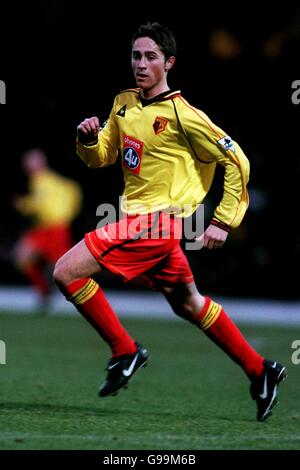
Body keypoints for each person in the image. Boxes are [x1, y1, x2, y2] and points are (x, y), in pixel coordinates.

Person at [53, 22, 286, 422]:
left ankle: (125, 350)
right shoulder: (123, 102)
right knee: (189, 304)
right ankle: (260, 370)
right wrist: (88, 139)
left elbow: (237, 160)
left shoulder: (184, 115)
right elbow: (103, 157)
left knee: (65, 272)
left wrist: (223, 221)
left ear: (169, 63)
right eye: (135, 55)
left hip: (159, 223)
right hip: (141, 223)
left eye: (150, 57)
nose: (140, 64)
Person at [13, 148, 82, 310]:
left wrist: (22, 205)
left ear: (40, 163)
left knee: (67, 269)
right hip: (43, 229)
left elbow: (39, 204)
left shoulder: (43, 180)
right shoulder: (47, 180)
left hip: (56, 229)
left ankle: (80, 294)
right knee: (23, 257)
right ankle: (44, 291)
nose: (28, 166)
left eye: (31, 162)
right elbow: (73, 191)